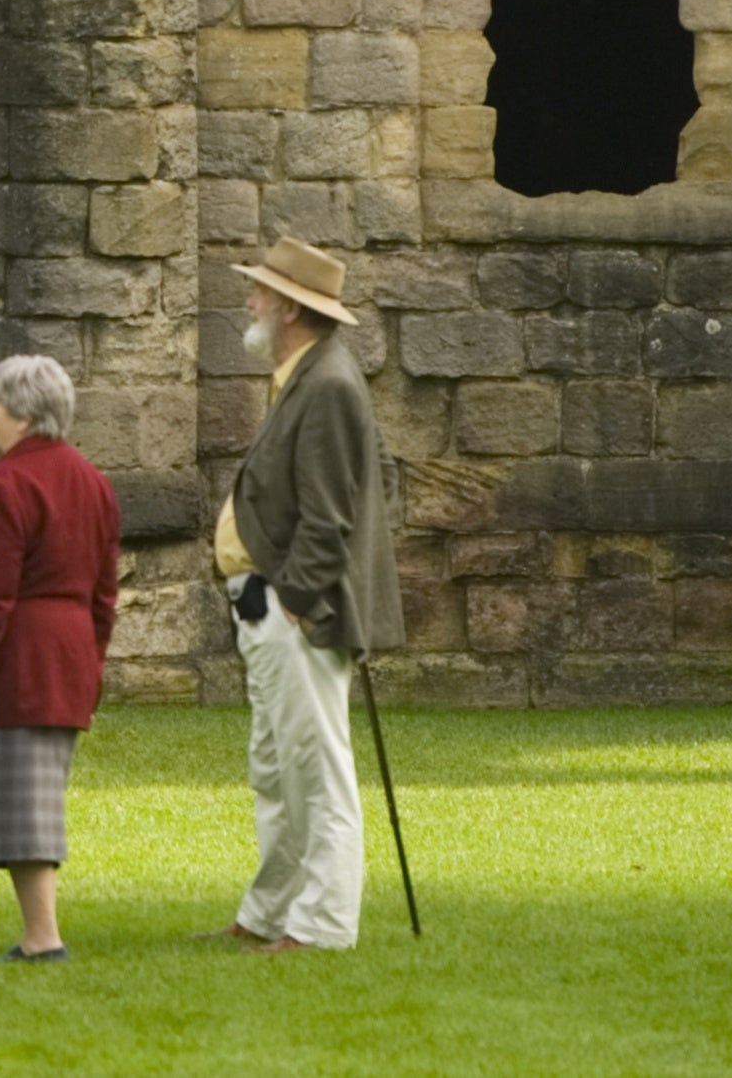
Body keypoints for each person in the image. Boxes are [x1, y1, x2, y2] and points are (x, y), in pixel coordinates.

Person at [215, 236, 405, 954]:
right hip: (269, 605)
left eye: (260, 290)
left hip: (296, 613)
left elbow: (332, 513)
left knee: (316, 771)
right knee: (277, 767)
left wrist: (293, 596)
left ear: (291, 305)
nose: (251, 300)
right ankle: (270, 912)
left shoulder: (326, 382)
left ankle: (321, 925)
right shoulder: (304, 373)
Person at [0, 354, 120, 964]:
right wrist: (90, 662)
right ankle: (39, 932)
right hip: (66, 655)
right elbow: (104, 593)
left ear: (21, 412)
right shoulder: (91, 480)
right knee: (32, 796)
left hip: (18, 657)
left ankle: (43, 937)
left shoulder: (5, 486)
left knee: (26, 804)